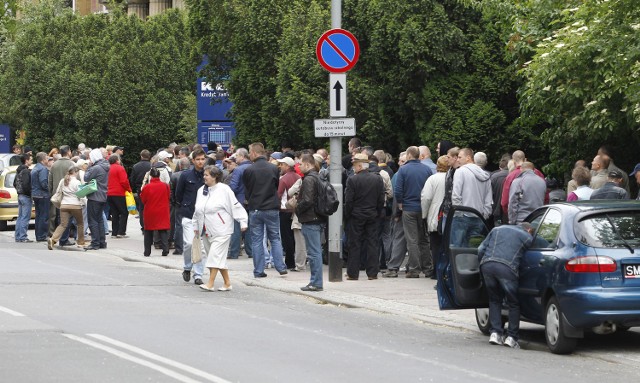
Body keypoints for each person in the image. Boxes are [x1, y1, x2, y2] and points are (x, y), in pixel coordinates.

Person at [478, 222, 534, 349]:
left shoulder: (496, 229)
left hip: (487, 265)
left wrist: (480, 265)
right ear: (529, 230)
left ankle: (495, 334)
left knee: (494, 300)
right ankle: (512, 337)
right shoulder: (526, 236)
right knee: (513, 302)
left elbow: (480, 249)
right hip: (507, 269)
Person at [194, 166, 248, 292]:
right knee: (217, 258)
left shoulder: (225, 190)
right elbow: (197, 210)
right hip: (206, 230)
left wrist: (243, 221)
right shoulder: (201, 190)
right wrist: (195, 225)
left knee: (214, 256)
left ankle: (210, 283)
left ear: (215, 177)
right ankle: (227, 283)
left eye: (207, 175)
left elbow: (235, 206)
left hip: (222, 229)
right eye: (204, 174)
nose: (204, 177)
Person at [243, 142, 288, 278]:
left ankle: (259, 270)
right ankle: (280, 266)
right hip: (271, 207)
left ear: (255, 153)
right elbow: (276, 186)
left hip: (255, 207)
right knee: (275, 238)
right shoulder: (273, 169)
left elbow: (247, 191)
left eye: (250, 152)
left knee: (257, 240)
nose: (249, 155)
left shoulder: (249, 170)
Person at [344, 153, 385, 280]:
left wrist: (348, 214)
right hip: (372, 214)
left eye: (355, 165)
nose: (354, 168)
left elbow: (349, 200)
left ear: (360, 165)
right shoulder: (377, 179)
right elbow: (380, 198)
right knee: (373, 243)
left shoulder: (352, 180)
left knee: (354, 244)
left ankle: (353, 273)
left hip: (356, 215)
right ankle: (372, 273)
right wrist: (377, 212)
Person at [393, 146, 433, 278]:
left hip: (408, 208)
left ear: (409, 155)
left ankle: (414, 269)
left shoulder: (403, 170)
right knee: (424, 239)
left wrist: (400, 205)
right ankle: (428, 268)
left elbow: (398, 190)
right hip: (423, 209)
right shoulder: (427, 169)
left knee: (412, 240)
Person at [175, 148, 207, 285]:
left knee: (201, 247)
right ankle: (187, 267)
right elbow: (178, 194)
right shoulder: (186, 175)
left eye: (202, 159)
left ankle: (198, 274)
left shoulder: (208, 175)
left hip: (204, 215)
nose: (201, 162)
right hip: (188, 213)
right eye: (198, 159)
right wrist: (184, 205)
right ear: (193, 161)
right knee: (188, 243)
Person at [296, 154, 327, 291]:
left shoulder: (309, 179)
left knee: (314, 252)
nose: (299, 167)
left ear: (308, 164)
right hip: (318, 217)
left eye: (301, 164)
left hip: (311, 219)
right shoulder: (319, 177)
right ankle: (315, 281)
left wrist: (297, 209)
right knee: (316, 251)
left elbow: (308, 200)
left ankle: (316, 282)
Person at [420, 155, 448, 279]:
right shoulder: (452, 178)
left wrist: (424, 214)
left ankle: (436, 271)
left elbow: (426, 197)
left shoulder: (432, 179)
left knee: (435, 245)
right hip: (448, 215)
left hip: (435, 215)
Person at [48, 165, 85, 249]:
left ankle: (53, 239)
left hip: (64, 205)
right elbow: (80, 194)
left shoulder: (62, 181)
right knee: (80, 223)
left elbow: (58, 192)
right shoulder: (77, 182)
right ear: (75, 172)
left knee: (63, 224)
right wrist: (83, 203)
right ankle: (81, 242)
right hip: (75, 205)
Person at [276, 156, 301, 270]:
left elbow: (279, 195)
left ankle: (290, 261)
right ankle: (299, 260)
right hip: (296, 210)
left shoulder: (283, 179)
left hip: (285, 209)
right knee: (296, 237)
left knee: (287, 238)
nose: (280, 166)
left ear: (287, 166)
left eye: (282, 164)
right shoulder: (299, 177)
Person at [140, 167, 170, 257]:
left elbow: (143, 199)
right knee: (163, 230)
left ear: (151, 176)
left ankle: (147, 251)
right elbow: (168, 196)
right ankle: (165, 249)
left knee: (148, 231)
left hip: (150, 211)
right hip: (162, 210)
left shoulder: (147, 187)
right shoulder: (165, 186)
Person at [84, 148, 110, 250]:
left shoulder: (96, 168)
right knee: (99, 220)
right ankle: (102, 242)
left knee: (93, 220)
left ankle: (95, 243)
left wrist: (89, 166)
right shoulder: (106, 166)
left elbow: (86, 178)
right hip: (103, 196)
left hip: (95, 196)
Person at [48, 145, 75, 243]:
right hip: (69, 194)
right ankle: (64, 239)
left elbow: (49, 181)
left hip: (57, 194)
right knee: (67, 218)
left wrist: (52, 192)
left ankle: (59, 237)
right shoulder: (71, 164)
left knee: (59, 217)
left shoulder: (54, 165)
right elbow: (76, 179)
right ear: (68, 152)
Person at [107, 154, 132, 238]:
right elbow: (124, 181)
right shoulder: (120, 168)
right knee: (124, 212)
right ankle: (121, 232)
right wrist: (129, 189)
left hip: (109, 193)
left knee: (114, 213)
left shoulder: (108, 168)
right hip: (118, 193)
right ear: (117, 160)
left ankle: (114, 232)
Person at [129, 149, 152, 231]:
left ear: (141, 156)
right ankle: (150, 224)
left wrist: (135, 187)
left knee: (142, 208)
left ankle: (143, 225)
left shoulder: (136, 166)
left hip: (140, 189)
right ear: (149, 156)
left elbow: (132, 179)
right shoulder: (152, 166)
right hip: (151, 187)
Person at [31, 152, 51, 242]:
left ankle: (38, 235)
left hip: (35, 194)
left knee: (38, 216)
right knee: (44, 216)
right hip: (43, 195)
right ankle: (42, 235)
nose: (48, 160)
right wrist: (49, 189)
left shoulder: (35, 168)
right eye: (47, 158)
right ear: (43, 160)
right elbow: (44, 183)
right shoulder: (43, 169)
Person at [14, 153, 34, 243]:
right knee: (25, 217)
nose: (32, 161)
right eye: (30, 159)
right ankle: (23, 237)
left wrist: (19, 191)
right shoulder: (26, 171)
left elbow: (15, 183)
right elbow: (26, 185)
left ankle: (18, 236)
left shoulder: (18, 170)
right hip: (25, 196)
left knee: (20, 217)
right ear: (26, 161)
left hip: (20, 195)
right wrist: (30, 193)